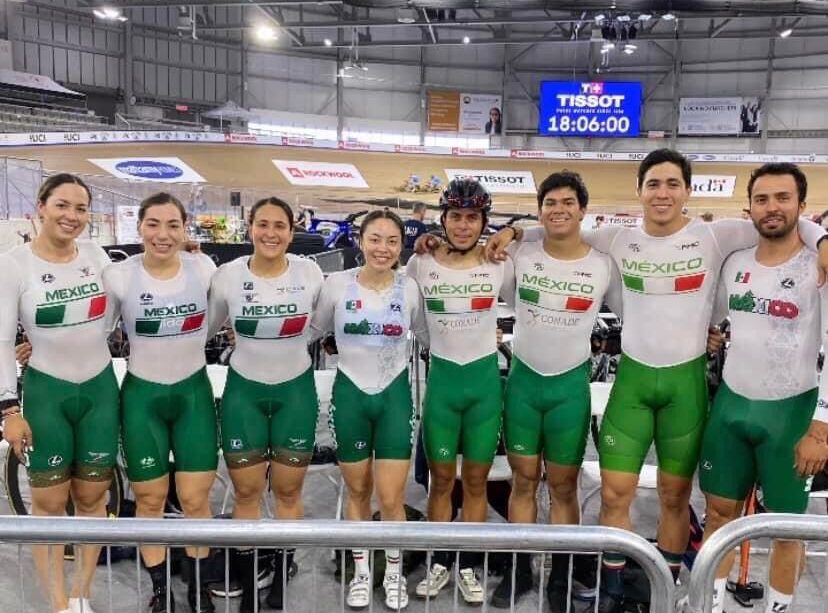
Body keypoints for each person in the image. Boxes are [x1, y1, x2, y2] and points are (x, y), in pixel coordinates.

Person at [478, 148, 828, 612]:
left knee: (675, 497)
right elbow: (561, 226)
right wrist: (512, 229)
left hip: (686, 388)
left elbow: (787, 220)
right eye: (653, 184)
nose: (662, 193)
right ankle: (615, 590)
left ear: (687, 190)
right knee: (614, 493)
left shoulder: (718, 235)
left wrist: (822, 238)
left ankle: (666, 587)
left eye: (672, 184)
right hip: (634, 386)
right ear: (639, 191)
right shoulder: (617, 238)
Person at [700, 163, 828, 613]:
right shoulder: (735, 264)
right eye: (762, 199)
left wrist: (821, 428)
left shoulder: (819, 264)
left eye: (782, 198)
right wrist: (711, 335)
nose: (771, 207)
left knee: (787, 530)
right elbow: (713, 318)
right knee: (718, 517)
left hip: (792, 412)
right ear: (749, 207)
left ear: (801, 206)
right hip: (731, 406)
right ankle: (710, 607)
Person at [493, 171, 620, 611]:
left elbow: (641, 309)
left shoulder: (602, 263)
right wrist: (511, 229)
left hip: (570, 387)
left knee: (564, 487)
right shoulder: (521, 253)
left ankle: (562, 573)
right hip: (525, 384)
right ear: (540, 209)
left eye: (568, 202)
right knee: (523, 481)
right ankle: (520, 567)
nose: (559, 210)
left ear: (583, 210)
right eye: (550, 203)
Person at [0, 174, 118, 613]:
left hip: (100, 389)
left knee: (93, 499)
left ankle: (81, 595)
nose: (72, 216)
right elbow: (0, 340)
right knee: (48, 504)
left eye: (81, 209)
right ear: (41, 207)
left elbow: (121, 306)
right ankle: (57, 604)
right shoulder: (13, 264)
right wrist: (8, 407)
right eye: (63, 205)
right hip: (47, 393)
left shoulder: (96, 254)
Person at [208, 197, 325, 613]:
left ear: (292, 232)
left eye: (280, 226)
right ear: (250, 228)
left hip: (295, 391)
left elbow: (323, 322)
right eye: (263, 224)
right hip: (244, 394)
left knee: (290, 491)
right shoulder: (228, 275)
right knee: (246, 491)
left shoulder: (310, 272)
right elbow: (203, 325)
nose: (271, 233)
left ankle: (279, 572)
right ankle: (248, 571)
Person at [103, 192, 218, 613]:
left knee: (195, 500)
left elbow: (223, 314)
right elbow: (94, 330)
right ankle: (161, 592)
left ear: (185, 229)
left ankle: (198, 588)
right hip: (142, 397)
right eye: (153, 224)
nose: (163, 234)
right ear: (140, 228)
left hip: (193, 395)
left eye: (173, 225)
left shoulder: (203, 267)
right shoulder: (119, 276)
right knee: (149, 500)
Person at [311, 209, 428, 611]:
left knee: (392, 496)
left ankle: (393, 575)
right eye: (375, 239)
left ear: (401, 245)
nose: (383, 248)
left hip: (394, 399)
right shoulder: (336, 286)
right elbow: (314, 330)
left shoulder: (410, 289)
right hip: (350, 398)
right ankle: (362, 573)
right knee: (358, 490)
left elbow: (431, 335)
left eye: (392, 241)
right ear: (361, 241)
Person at [406, 178, 514, 605]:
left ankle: (467, 564)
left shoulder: (499, 262)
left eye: (472, 218)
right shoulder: (422, 263)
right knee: (440, 482)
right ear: (443, 219)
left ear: (484, 222)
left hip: (484, 387)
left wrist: (514, 232)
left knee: (476, 482)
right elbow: (412, 316)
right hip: (443, 387)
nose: (464, 225)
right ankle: (440, 560)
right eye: (456, 216)